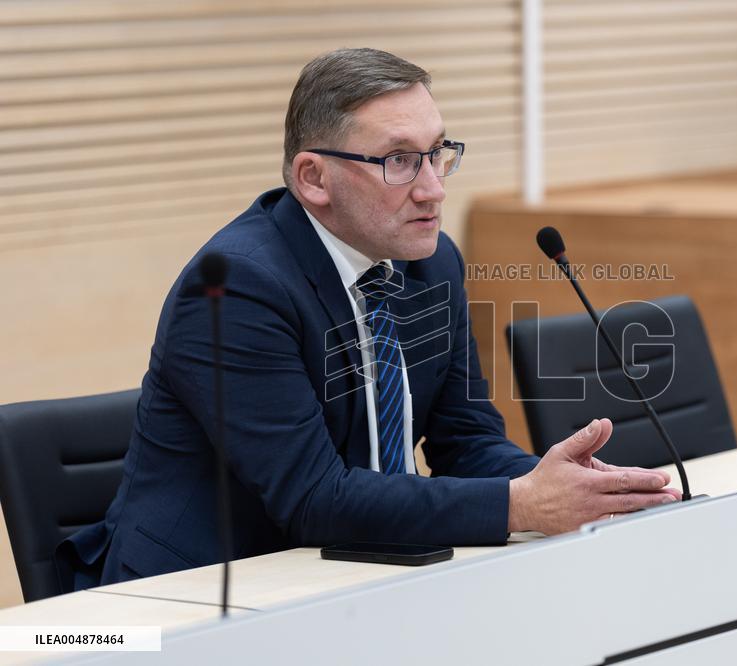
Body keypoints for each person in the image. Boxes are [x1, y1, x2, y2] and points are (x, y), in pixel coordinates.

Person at [56, 48, 680, 590]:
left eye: (439, 154)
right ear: (314, 178)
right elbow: (314, 499)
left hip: (353, 576)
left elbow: (466, 440)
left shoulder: (429, 264)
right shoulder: (237, 288)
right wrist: (522, 503)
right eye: (400, 160)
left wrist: (570, 488)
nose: (433, 188)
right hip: (197, 601)